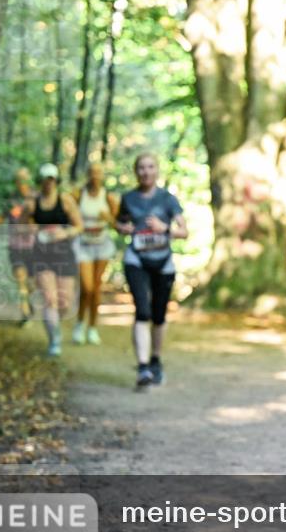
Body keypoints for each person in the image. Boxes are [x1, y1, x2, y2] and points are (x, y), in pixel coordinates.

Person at [114, 153, 187, 388]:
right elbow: (119, 223)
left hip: (163, 263)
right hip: (136, 260)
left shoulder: (168, 199)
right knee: (142, 311)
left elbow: (184, 231)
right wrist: (123, 228)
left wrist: (164, 228)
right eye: (141, 168)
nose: (146, 172)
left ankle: (155, 360)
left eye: (150, 167)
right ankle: (143, 367)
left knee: (158, 315)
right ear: (136, 172)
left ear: (157, 170)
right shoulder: (128, 198)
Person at [26, 163, 83, 356]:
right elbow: (21, 226)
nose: (48, 183)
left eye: (51, 179)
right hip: (41, 255)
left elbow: (79, 226)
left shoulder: (66, 201)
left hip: (64, 254)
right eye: (45, 179)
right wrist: (31, 229)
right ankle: (54, 340)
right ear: (40, 181)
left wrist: (64, 232)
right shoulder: (32, 203)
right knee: (49, 299)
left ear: (56, 180)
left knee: (64, 303)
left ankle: (56, 326)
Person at [71, 163, 119, 345]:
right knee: (87, 287)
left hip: (102, 246)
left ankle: (92, 328)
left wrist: (109, 219)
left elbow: (117, 225)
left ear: (102, 175)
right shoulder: (78, 195)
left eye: (98, 173)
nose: (95, 176)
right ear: (88, 175)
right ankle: (79, 324)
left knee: (96, 288)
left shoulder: (108, 197)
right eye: (92, 173)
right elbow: (68, 215)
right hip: (83, 245)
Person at [0, 167, 37, 325]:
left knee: (31, 284)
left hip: (34, 247)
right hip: (15, 247)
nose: (21, 183)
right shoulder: (11, 199)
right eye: (19, 180)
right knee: (20, 280)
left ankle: (29, 304)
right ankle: (25, 314)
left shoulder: (37, 198)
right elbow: (0, 217)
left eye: (24, 179)